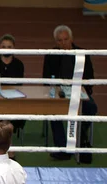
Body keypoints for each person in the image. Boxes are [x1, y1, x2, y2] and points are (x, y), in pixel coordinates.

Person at [42, 25, 97, 161]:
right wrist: (55, 87)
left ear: (71, 38)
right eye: (59, 41)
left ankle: (79, 137)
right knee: (53, 111)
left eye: (66, 39)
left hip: (79, 91)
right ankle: (62, 148)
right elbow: (46, 77)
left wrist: (82, 89)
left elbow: (89, 77)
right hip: (58, 92)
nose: (63, 43)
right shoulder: (51, 55)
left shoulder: (82, 53)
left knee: (91, 107)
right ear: (56, 42)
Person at [0, 34, 25, 133]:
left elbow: (19, 85)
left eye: (9, 47)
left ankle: (7, 130)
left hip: (13, 100)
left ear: (14, 48)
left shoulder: (19, 64)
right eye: (3, 46)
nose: (6, 49)